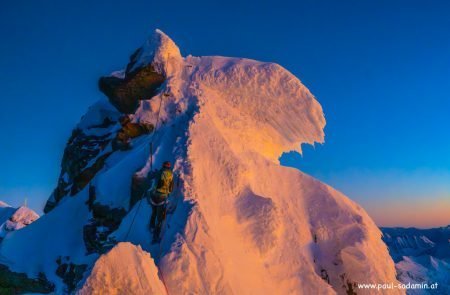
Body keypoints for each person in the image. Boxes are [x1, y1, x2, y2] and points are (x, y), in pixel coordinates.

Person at [147, 161, 174, 242]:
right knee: (160, 218)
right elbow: (171, 189)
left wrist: (152, 173)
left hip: (154, 197)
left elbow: (150, 177)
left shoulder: (159, 172)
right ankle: (156, 235)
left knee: (154, 212)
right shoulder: (171, 175)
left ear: (163, 166)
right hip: (162, 198)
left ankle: (151, 226)